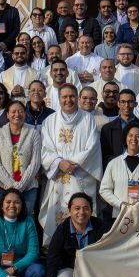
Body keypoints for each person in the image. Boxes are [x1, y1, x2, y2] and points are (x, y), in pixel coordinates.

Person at [39, 85, 103, 246]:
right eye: (64, 97)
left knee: (81, 212)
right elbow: (45, 149)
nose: (68, 100)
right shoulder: (49, 121)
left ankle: (84, 248)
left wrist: (71, 164)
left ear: (78, 98)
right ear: (59, 99)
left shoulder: (88, 119)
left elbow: (93, 147)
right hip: (58, 176)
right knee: (57, 215)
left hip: (80, 176)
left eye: (72, 96)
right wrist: (60, 163)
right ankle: (55, 250)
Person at [37, 193, 104, 277]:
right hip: (70, 270)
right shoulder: (62, 231)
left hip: (94, 271)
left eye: (86, 208)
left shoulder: (100, 226)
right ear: (69, 211)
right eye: (77, 208)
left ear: (91, 211)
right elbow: (52, 264)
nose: (81, 212)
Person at [0, 100, 43, 213]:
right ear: (7, 114)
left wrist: (21, 185)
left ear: (25, 114)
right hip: (3, 187)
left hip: (28, 187)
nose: (17, 114)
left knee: (26, 218)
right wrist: (11, 185)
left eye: (21, 111)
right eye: (13, 112)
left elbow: (35, 162)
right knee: (3, 218)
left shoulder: (33, 133)